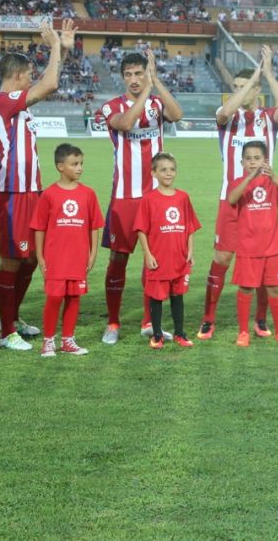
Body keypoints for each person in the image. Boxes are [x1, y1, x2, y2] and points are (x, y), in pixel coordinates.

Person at [0, 18, 77, 351]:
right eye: (28, 74)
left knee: (27, 260)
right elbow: (49, 85)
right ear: (16, 76)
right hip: (11, 192)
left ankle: (10, 318)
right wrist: (55, 45)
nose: (32, 78)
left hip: (30, 191)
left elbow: (47, 82)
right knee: (12, 260)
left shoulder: (17, 102)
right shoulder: (0, 99)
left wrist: (62, 51)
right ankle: (4, 331)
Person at [199, 45, 278, 339]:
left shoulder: (268, 118)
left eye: (246, 87)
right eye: (236, 87)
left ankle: (261, 320)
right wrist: (252, 77)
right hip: (233, 201)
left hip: (263, 203)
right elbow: (227, 109)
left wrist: (266, 74)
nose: (240, 91)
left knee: (264, 263)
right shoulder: (226, 117)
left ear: (257, 90)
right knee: (223, 258)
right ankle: (209, 318)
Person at [99, 49, 183, 345]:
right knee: (118, 258)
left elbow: (177, 114)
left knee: (154, 261)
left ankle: (149, 321)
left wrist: (156, 82)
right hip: (124, 197)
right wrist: (146, 90)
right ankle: (112, 322)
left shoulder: (157, 104)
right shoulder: (111, 107)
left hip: (155, 199)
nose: (134, 80)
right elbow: (124, 124)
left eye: (139, 73)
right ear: (122, 78)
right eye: (129, 75)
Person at [31, 143, 104, 357]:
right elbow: (39, 227)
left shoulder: (88, 194)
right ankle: (48, 341)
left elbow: (94, 226)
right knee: (54, 298)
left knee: (74, 297)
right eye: (74, 164)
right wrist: (40, 257)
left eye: (81, 164)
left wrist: (92, 254)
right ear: (60, 166)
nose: (80, 168)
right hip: (55, 258)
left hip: (78, 257)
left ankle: (68, 340)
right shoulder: (49, 194)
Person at [227, 141, 278, 347]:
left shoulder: (271, 184)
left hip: (272, 247)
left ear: (265, 160)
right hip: (248, 248)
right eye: (248, 158)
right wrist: (249, 177)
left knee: (274, 289)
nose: (252, 162)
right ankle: (243, 332)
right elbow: (232, 199)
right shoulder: (238, 183)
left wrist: (273, 176)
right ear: (242, 162)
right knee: (247, 289)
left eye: (257, 158)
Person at [135, 152, 201, 349]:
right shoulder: (149, 199)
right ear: (154, 173)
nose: (168, 173)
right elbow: (141, 229)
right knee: (156, 297)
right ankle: (157, 335)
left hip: (179, 258)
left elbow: (189, 226)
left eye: (172, 169)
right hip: (159, 258)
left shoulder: (183, 197)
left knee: (178, 296)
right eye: (163, 170)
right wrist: (147, 254)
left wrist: (190, 250)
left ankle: (180, 333)